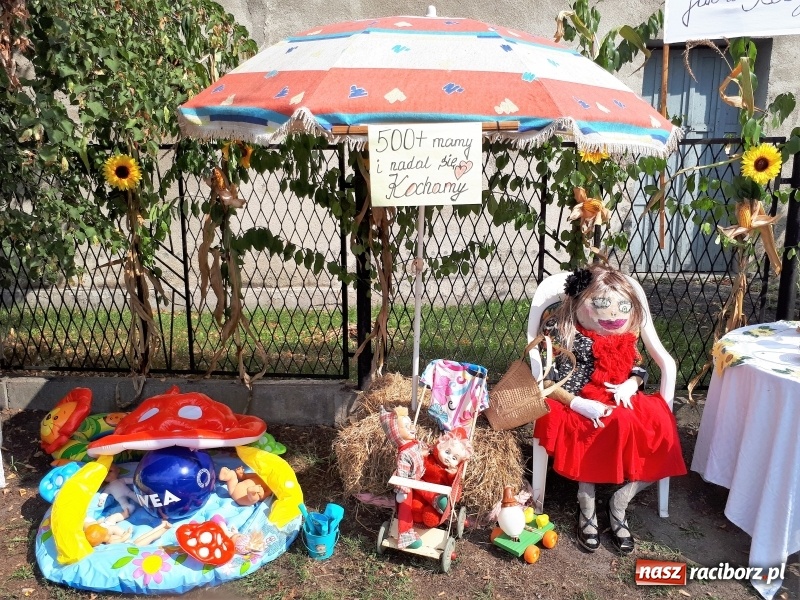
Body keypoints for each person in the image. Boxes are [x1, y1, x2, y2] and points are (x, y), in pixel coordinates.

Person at [533, 264, 686, 554]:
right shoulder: (562, 330)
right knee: (593, 426)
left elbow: (638, 363)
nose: (614, 314)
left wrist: (634, 382)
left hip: (621, 394)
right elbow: (548, 378)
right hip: (575, 397)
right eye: (602, 304)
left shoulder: (628, 334)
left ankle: (621, 500)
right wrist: (577, 402)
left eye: (622, 305)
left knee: (658, 429)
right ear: (579, 302)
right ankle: (586, 499)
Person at [379, 405, 428, 549]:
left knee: (427, 491)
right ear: (397, 434)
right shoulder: (404, 455)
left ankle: (436, 501)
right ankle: (405, 536)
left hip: (419, 479)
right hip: (407, 486)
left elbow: (422, 449)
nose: (413, 428)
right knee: (405, 508)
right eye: (407, 427)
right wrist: (402, 490)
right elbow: (402, 474)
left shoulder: (414, 444)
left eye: (411, 424)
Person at [410, 427, 473, 527]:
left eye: (454, 458)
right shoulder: (429, 458)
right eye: (447, 452)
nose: (448, 457)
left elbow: (454, 485)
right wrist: (421, 456)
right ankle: (417, 515)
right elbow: (417, 464)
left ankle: (433, 512)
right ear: (439, 446)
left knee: (431, 517)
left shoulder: (450, 470)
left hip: (438, 494)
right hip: (419, 491)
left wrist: (452, 474)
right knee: (415, 508)